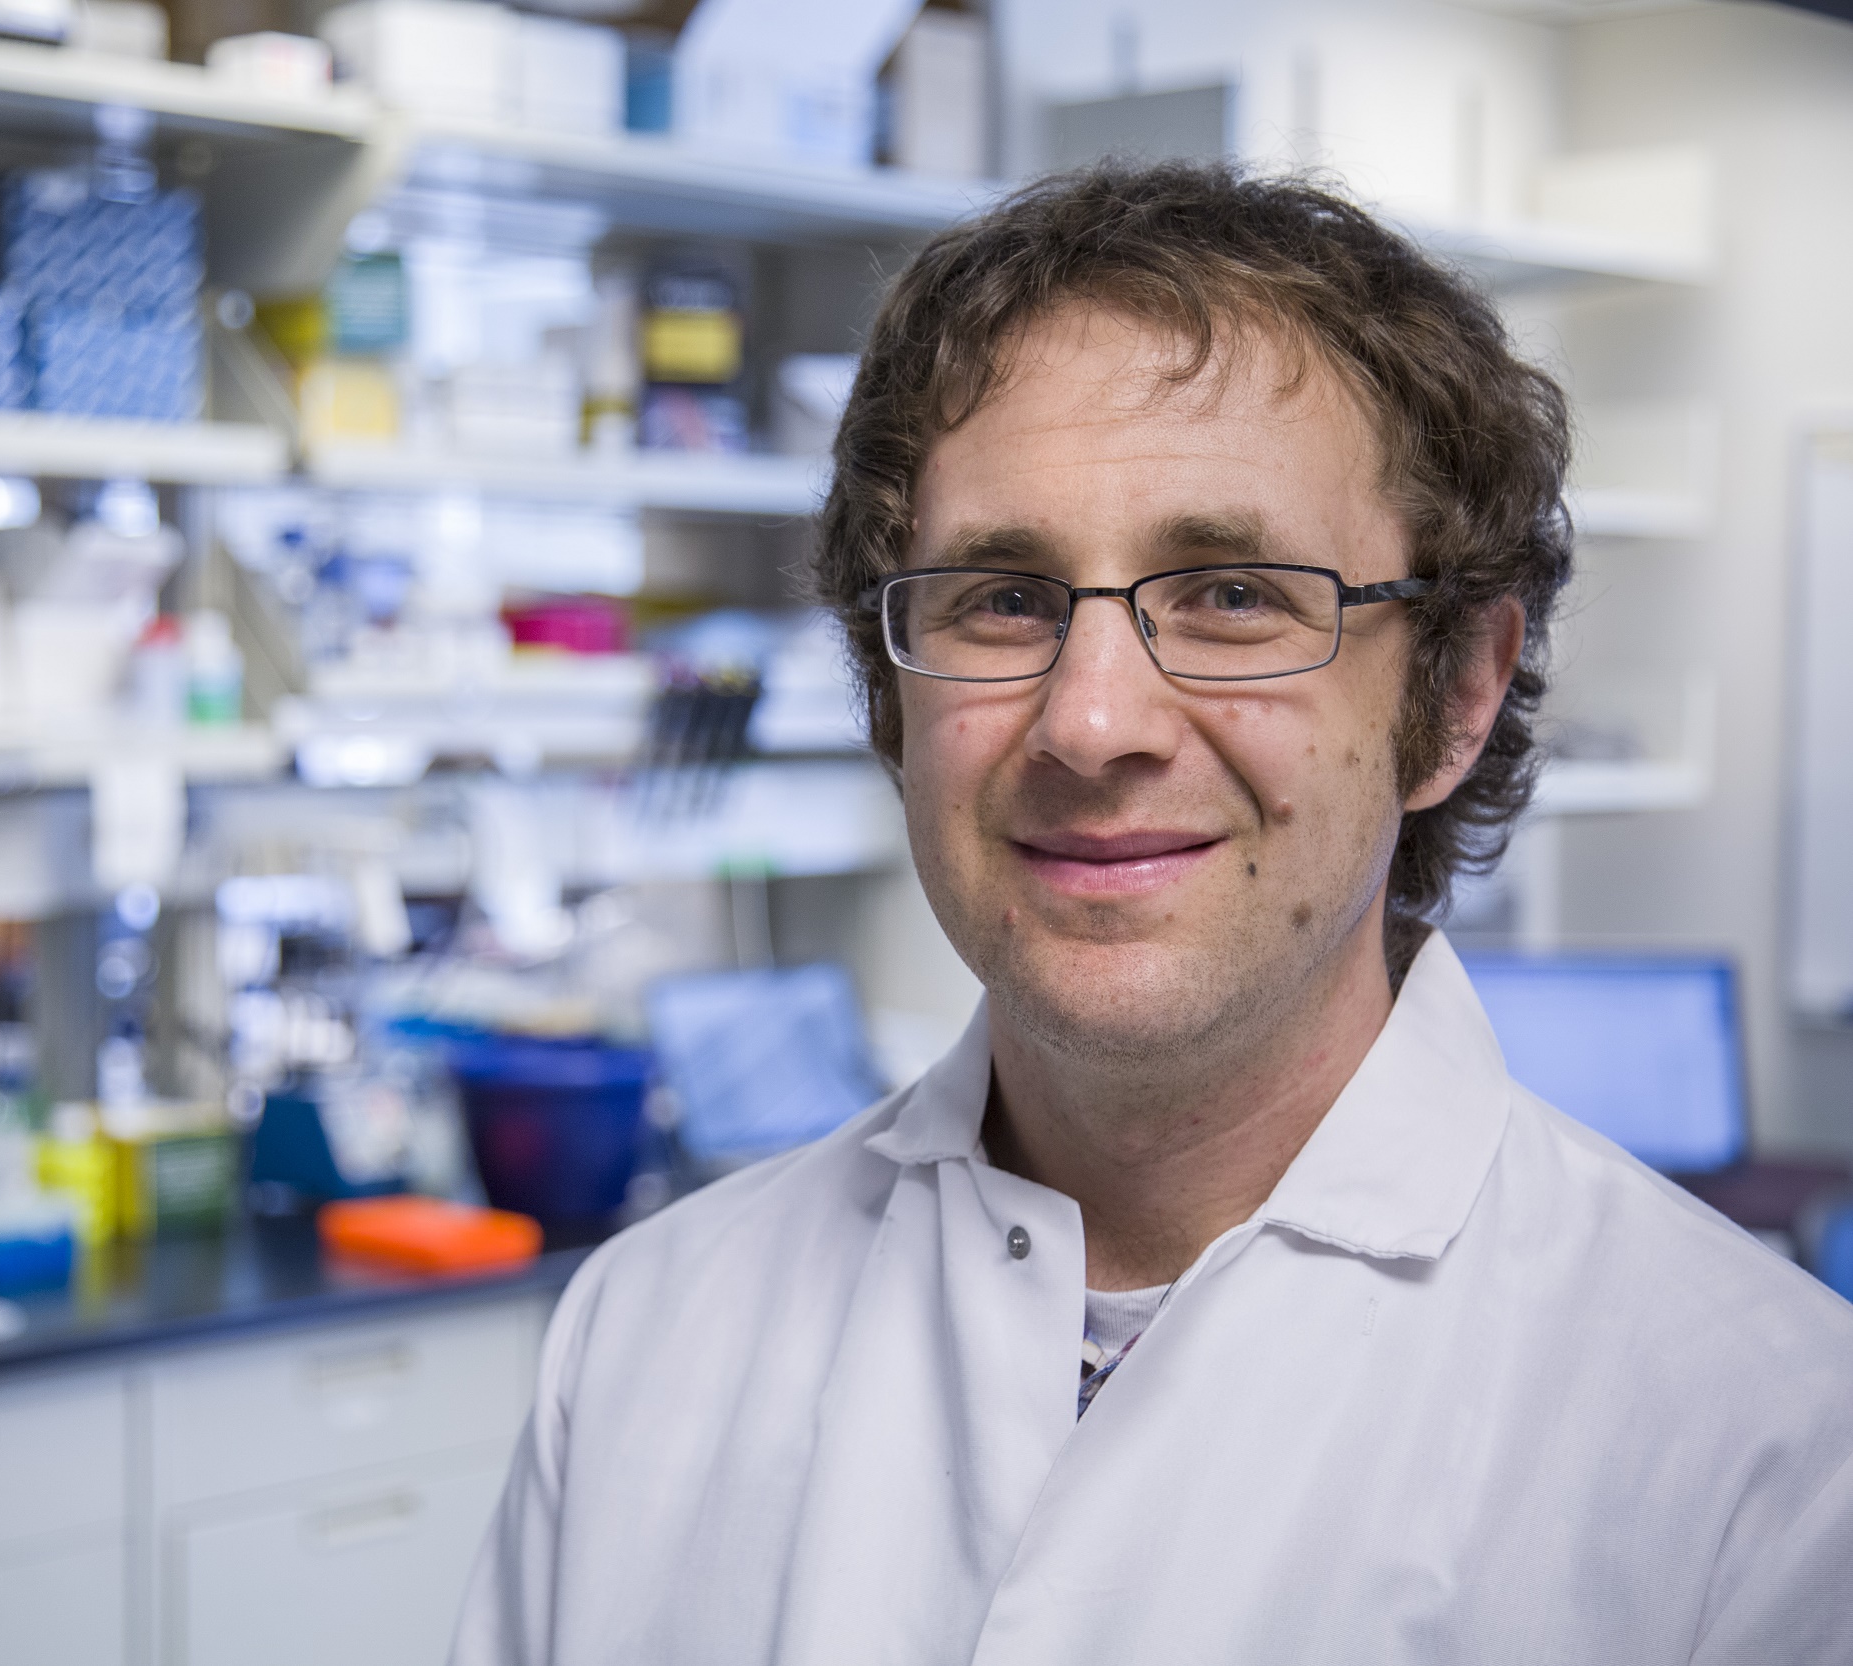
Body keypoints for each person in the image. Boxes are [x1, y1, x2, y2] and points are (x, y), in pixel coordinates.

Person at [450, 164, 1853, 1665]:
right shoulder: (647, 1330)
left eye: (1236, 593)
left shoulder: (1768, 1449)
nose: (1092, 718)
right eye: (1000, 598)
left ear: (1454, 693)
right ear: (892, 694)